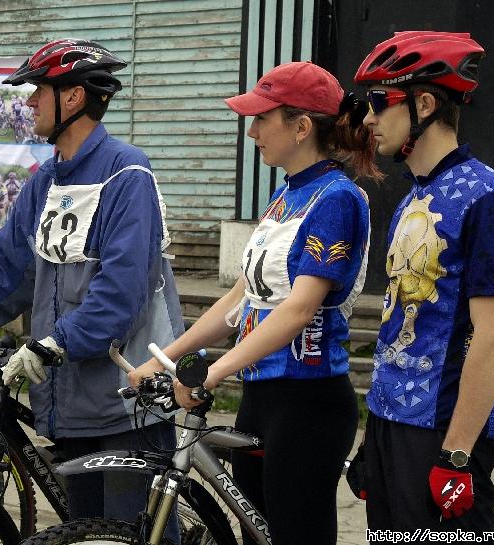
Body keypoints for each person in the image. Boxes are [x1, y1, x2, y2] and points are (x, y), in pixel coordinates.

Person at [0, 38, 184, 529]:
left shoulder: (128, 175)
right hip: (68, 404)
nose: (28, 101)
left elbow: (120, 292)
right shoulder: (45, 181)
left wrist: (57, 342)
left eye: (38, 90)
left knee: (129, 537)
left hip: (128, 404)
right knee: (81, 534)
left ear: (73, 98)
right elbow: (5, 270)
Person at [130, 61, 379, 545]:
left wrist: (214, 371)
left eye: (262, 119)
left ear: (301, 127)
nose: (252, 131)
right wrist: (166, 358)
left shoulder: (336, 199)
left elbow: (299, 309)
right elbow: (242, 297)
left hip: (308, 400)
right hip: (262, 395)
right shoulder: (285, 195)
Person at [349, 31, 494, 541]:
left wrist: (457, 455)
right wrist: (372, 438)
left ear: (424, 103)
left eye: (378, 101)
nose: (368, 118)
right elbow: (398, 323)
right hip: (394, 426)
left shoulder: (487, 197)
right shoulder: (416, 195)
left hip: (442, 434)